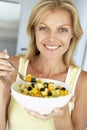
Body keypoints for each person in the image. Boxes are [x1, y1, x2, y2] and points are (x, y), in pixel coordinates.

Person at [0, 0, 87, 130]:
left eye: (62, 30)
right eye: (44, 28)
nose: (52, 38)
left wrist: (61, 114)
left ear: (73, 34)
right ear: (34, 31)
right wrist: (2, 90)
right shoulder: (13, 67)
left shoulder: (82, 82)